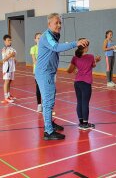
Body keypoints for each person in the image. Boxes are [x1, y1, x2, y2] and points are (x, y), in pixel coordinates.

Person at [35, 13, 88, 141]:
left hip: (49, 72)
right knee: (48, 102)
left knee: (50, 99)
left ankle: (50, 124)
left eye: (60, 23)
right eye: (56, 23)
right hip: (44, 73)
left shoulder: (53, 35)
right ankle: (48, 131)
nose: (59, 25)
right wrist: (75, 43)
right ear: (49, 24)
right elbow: (56, 48)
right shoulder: (47, 36)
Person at [67, 39, 101, 130]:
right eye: (87, 46)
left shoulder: (75, 58)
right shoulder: (90, 57)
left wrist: (75, 70)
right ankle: (85, 124)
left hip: (77, 82)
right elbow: (92, 65)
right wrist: (96, 60)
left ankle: (81, 122)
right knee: (85, 103)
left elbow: (69, 70)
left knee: (79, 102)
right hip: (86, 83)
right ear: (85, 48)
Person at [2, 35, 16, 103]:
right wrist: (10, 55)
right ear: (4, 41)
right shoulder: (4, 49)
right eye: (8, 40)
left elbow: (14, 55)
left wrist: (13, 58)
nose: (10, 41)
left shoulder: (12, 49)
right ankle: (6, 97)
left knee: (10, 81)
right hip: (6, 68)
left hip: (11, 67)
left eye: (10, 40)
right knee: (6, 82)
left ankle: (8, 94)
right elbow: (4, 59)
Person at [30, 32, 42, 112]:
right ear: (35, 40)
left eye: (41, 38)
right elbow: (34, 61)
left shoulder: (45, 48)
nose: (40, 40)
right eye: (38, 38)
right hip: (38, 71)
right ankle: (39, 105)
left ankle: (46, 105)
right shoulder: (33, 48)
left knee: (45, 89)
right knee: (38, 88)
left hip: (45, 71)